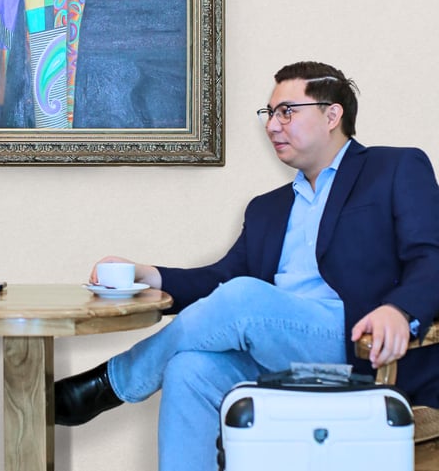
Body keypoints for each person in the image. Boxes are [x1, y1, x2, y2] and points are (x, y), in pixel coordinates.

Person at [54, 61, 439, 470]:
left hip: (359, 344)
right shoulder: (266, 209)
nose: (272, 125)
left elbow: (431, 255)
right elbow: (221, 280)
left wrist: (400, 311)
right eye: (269, 113)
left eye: (287, 111)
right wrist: (151, 274)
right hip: (278, 347)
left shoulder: (394, 168)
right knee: (189, 369)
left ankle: (114, 383)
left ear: (332, 115)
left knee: (244, 298)